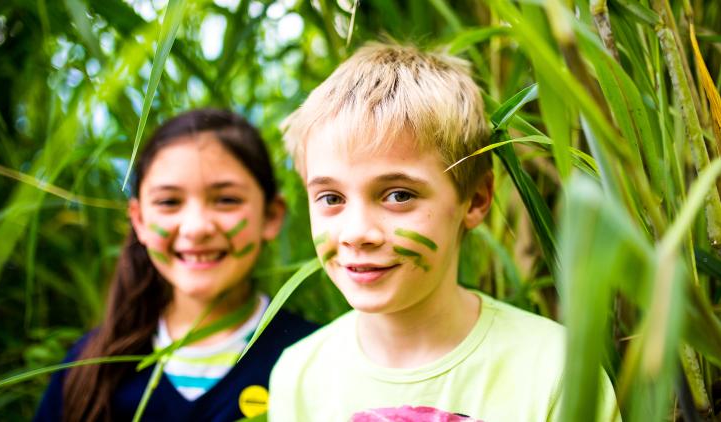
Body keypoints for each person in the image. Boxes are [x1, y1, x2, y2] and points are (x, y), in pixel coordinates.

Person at [268, 43, 619, 421]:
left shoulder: (556, 368)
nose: (357, 233)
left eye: (399, 195)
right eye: (331, 197)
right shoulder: (299, 375)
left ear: (475, 200)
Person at [35, 109, 317, 422]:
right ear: (139, 220)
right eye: (169, 202)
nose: (195, 227)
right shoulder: (86, 368)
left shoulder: (316, 357)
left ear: (271, 216)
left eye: (226, 200)